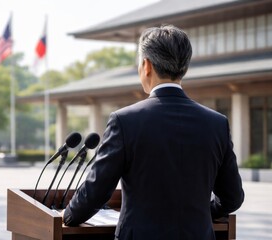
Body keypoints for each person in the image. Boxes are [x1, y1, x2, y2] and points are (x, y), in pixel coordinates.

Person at [62, 25, 244, 240]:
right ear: (184, 67)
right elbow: (232, 198)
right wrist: (204, 213)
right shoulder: (217, 123)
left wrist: (69, 215)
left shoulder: (124, 121)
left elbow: (96, 192)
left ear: (146, 65)